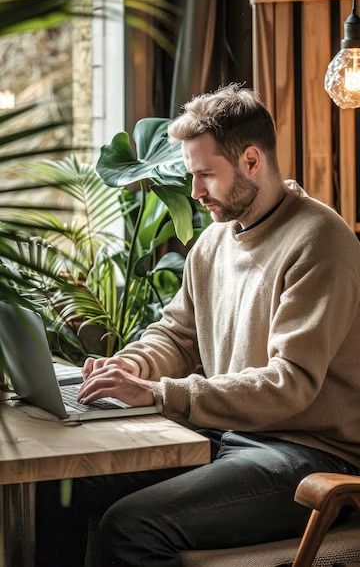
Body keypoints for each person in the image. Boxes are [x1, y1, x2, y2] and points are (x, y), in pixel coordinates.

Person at [36, 84, 360, 567]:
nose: (195, 192)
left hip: (308, 455)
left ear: (252, 160)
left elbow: (290, 384)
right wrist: (125, 368)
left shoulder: (318, 240)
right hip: (228, 436)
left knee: (131, 528)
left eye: (206, 174)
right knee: (61, 488)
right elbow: (177, 335)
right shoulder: (213, 242)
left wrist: (162, 393)